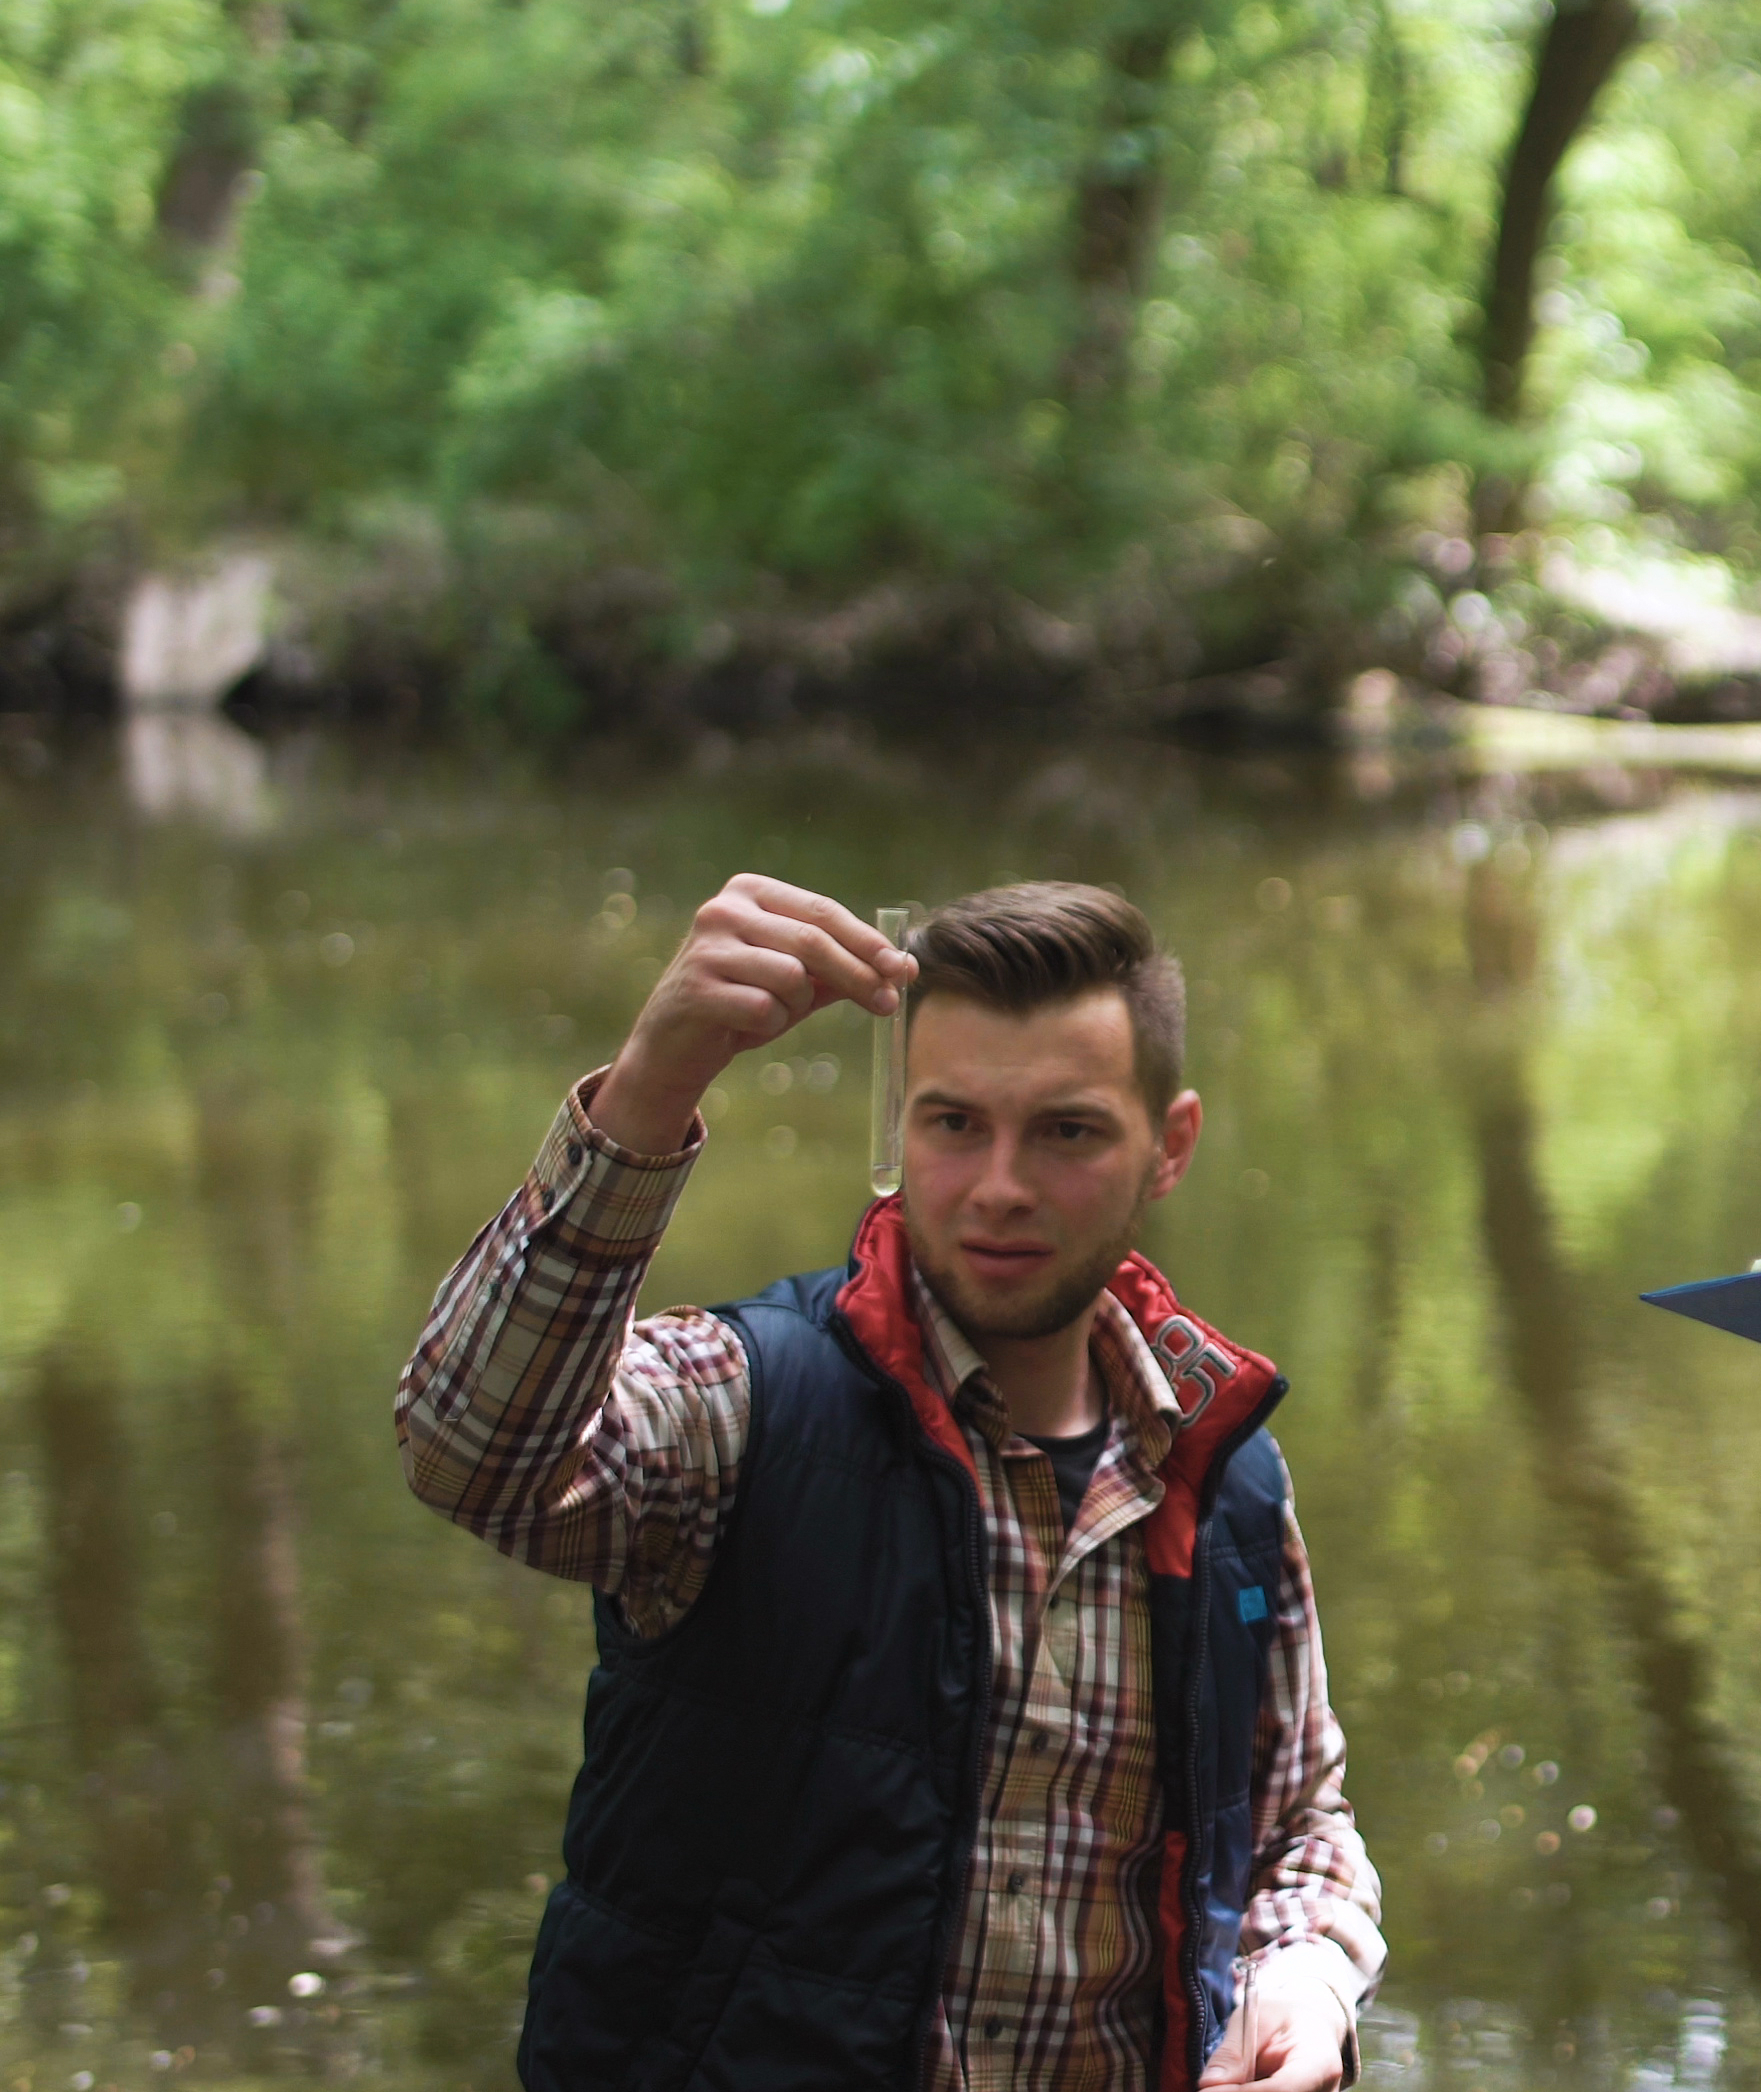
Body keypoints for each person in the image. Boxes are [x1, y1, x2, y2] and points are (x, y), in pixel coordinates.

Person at [397, 877, 1379, 2091]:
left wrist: (1304, 1977)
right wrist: (651, 1089)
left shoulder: (1226, 1477)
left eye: (1066, 1132)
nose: (999, 1187)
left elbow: (1298, 1829)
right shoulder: (747, 1404)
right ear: (897, 1126)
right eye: (953, 1123)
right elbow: (470, 1455)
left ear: (1167, 1147)